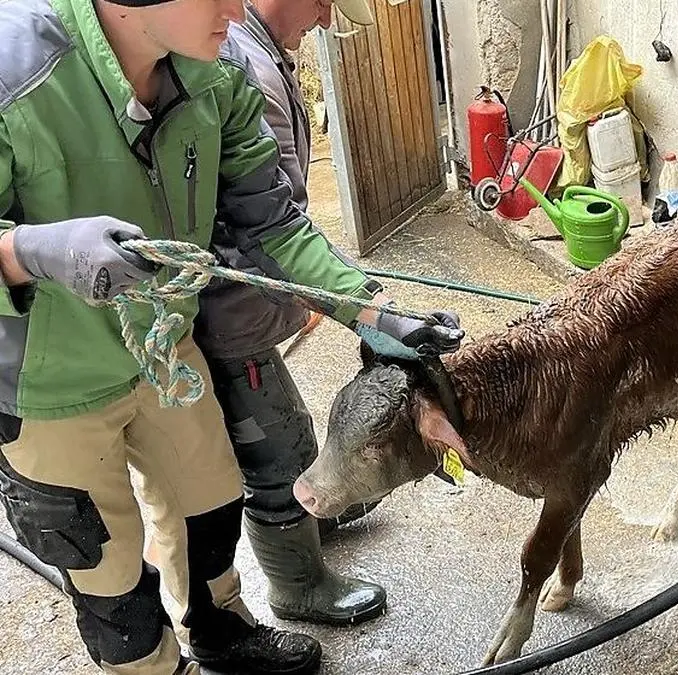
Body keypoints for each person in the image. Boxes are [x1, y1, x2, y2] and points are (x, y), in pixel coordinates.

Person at [0, 0, 462, 673]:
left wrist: (373, 311)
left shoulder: (220, 73)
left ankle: (220, 631)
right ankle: (156, 666)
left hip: (164, 350)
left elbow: (274, 226)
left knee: (210, 500)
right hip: (49, 383)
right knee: (105, 567)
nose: (236, 4)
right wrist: (33, 249)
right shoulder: (17, 72)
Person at [192, 0, 390, 627]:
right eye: (324, 2)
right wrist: (366, 309)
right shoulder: (240, 63)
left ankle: (306, 519)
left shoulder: (258, 47)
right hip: (229, 311)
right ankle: (296, 584)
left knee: (286, 421)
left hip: (249, 302)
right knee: (275, 447)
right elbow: (272, 229)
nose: (328, 20)